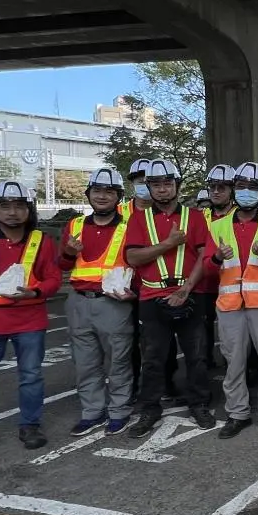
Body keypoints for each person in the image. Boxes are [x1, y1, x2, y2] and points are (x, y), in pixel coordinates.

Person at [124, 159, 214, 438]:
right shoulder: (139, 219)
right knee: (153, 357)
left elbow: (204, 256)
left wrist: (186, 289)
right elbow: (132, 257)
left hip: (190, 294)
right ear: (148, 187)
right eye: (156, 184)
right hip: (152, 294)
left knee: (197, 355)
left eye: (167, 183)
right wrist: (168, 244)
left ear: (177, 185)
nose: (162, 190)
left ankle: (198, 403)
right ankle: (150, 408)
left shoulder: (195, 217)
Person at [204, 162, 258, 440]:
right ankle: (237, 413)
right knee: (234, 363)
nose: (246, 193)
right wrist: (217, 257)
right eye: (241, 187)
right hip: (230, 306)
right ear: (232, 191)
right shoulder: (217, 227)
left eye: (253, 188)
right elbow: (206, 267)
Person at [60, 168, 136, 437]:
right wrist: (69, 252)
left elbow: (140, 264)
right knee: (85, 363)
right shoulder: (74, 225)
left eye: (109, 191)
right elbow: (63, 263)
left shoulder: (130, 227)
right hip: (79, 301)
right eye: (97, 191)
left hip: (114, 304)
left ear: (118, 196)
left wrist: (134, 293)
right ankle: (92, 412)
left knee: (118, 362)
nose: (102, 196)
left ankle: (119, 411)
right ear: (88, 194)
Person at [0, 181, 60, 452]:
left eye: (19, 206)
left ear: (30, 211)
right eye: (5, 206)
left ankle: (30, 425)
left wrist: (36, 291)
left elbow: (53, 278)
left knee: (30, 375)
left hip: (29, 319)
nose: (13, 212)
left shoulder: (42, 241)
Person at [123, 158, 155, 396]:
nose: (144, 185)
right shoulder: (120, 213)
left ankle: (164, 384)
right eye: (139, 181)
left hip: (154, 285)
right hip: (124, 288)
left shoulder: (165, 211)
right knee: (129, 340)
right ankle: (133, 385)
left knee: (156, 341)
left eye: (148, 181)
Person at [201, 164, 236, 370]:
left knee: (233, 336)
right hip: (205, 284)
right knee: (202, 335)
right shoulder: (200, 216)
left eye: (221, 187)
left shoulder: (242, 215)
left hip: (231, 283)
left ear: (232, 190)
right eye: (212, 187)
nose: (215, 191)